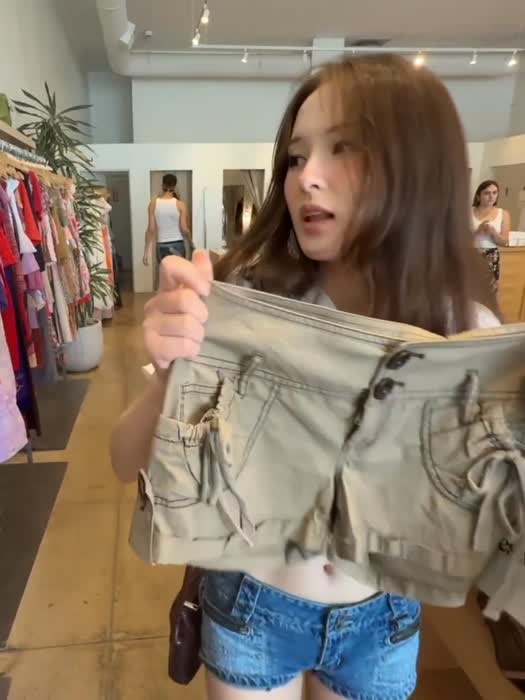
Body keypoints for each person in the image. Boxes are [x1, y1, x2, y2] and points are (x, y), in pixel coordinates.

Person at [112, 55, 500, 700]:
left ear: (415, 167)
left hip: (384, 618)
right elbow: (124, 460)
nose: (306, 179)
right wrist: (169, 376)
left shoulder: (466, 332)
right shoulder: (249, 298)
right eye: (295, 157)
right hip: (254, 603)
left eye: (343, 149)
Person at [143, 173, 192, 266]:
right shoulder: (180, 204)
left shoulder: (153, 204)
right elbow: (184, 229)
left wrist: (146, 253)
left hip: (161, 246)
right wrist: (191, 243)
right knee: (179, 274)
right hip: (178, 245)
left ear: (162, 185)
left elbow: (150, 230)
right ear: (175, 186)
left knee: (165, 274)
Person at [472, 180, 511, 293]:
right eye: (487, 193)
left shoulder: (503, 214)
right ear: (478, 196)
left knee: (487, 293)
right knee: (467, 291)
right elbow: (460, 239)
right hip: (470, 254)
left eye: (494, 193)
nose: (491, 196)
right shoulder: (467, 212)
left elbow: (504, 242)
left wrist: (493, 233)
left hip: (491, 257)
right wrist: (478, 231)